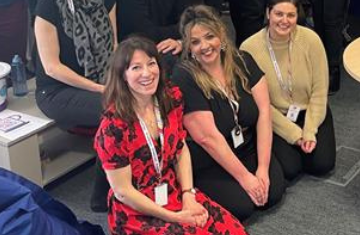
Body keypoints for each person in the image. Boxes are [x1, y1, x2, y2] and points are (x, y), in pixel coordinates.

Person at [95, 36, 248, 235]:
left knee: (235, 230)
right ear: (123, 76)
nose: (147, 73)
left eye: (151, 64)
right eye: (136, 68)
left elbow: (180, 148)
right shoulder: (113, 127)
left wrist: (188, 195)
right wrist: (175, 217)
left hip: (172, 191)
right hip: (136, 209)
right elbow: (123, 192)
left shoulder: (170, 98)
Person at [173, 6, 286, 221]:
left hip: (245, 146)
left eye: (209, 37)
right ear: (188, 47)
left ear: (221, 36)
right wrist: (246, 179)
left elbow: (263, 113)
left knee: (273, 192)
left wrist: (262, 168)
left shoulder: (243, 59)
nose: (204, 46)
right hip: (210, 158)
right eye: (195, 42)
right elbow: (207, 138)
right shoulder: (184, 75)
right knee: (242, 206)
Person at [33, 0, 118, 210]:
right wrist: (99, 88)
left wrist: (117, 81)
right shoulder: (48, 3)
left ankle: (137, 176)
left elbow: (114, 45)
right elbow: (51, 67)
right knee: (117, 112)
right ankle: (102, 195)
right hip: (57, 91)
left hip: (101, 81)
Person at [242, 0, 337, 181]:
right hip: (274, 116)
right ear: (268, 13)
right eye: (279, 14)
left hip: (310, 111)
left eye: (291, 15)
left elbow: (320, 91)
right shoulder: (249, 48)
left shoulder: (311, 40)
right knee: (290, 169)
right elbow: (261, 104)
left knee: (321, 165)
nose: (284, 20)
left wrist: (309, 131)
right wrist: (293, 134)